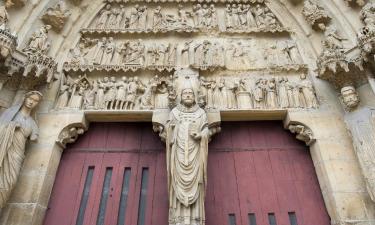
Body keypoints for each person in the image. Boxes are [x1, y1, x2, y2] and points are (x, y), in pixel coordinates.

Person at [165, 88, 209, 225]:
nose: (188, 95)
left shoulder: (201, 113)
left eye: (191, 93)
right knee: (176, 181)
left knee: (197, 182)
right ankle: (179, 219)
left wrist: (201, 135)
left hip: (195, 154)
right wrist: (172, 128)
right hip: (178, 155)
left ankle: (195, 219)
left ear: (195, 97)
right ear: (181, 97)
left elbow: (206, 129)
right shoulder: (174, 113)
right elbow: (168, 129)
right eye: (185, 93)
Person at [0, 91, 42, 208]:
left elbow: (34, 137)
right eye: (30, 98)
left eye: (35, 101)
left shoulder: (33, 123)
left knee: (10, 182)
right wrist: (11, 126)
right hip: (4, 150)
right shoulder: (11, 114)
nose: (31, 102)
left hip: (17, 154)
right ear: (25, 98)